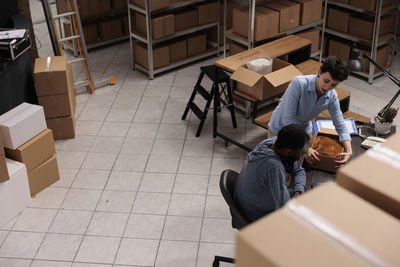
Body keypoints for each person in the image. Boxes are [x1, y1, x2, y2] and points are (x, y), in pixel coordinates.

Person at [268, 56, 352, 167]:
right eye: (326, 81)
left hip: (303, 131)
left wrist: (348, 150)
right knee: (278, 167)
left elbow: (340, 123)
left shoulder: (332, 96)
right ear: (320, 72)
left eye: (333, 85)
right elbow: (288, 119)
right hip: (281, 129)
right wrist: (304, 148)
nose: (327, 87)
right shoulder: (299, 83)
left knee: (296, 168)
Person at [234, 124, 310, 223]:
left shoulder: (272, 143)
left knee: (303, 195)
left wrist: (298, 192)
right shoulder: (274, 167)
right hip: (254, 215)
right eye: (302, 152)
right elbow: (285, 208)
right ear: (288, 151)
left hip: (251, 201)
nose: (302, 156)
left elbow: (299, 171)